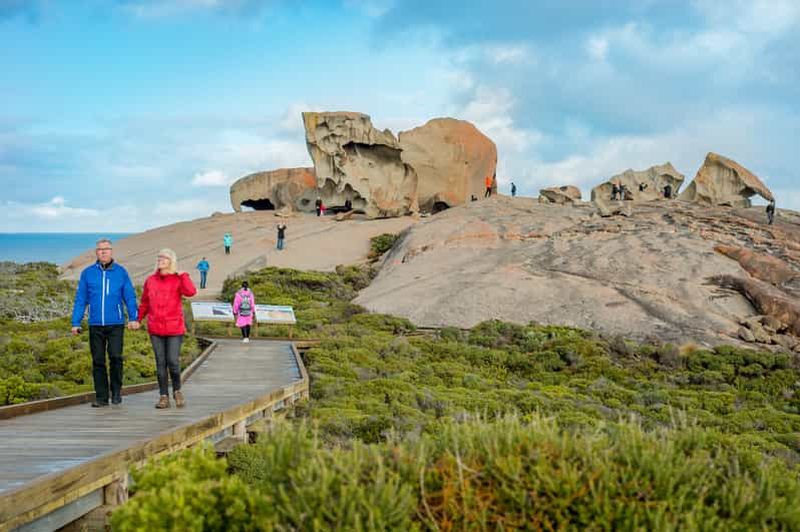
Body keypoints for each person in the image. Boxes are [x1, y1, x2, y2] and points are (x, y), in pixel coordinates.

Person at [70, 238, 139, 407]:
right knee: (98, 360)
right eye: (100, 249)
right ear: (96, 252)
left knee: (116, 357)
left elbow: (129, 297)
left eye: (106, 249)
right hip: (95, 324)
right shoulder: (88, 273)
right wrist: (76, 322)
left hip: (115, 323)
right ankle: (101, 397)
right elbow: (81, 299)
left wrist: (134, 317)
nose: (103, 252)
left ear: (111, 251)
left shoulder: (121, 272)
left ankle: (116, 391)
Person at [138, 248, 197, 409]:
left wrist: (184, 275)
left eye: (164, 257)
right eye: (159, 257)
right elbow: (145, 303)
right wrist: (137, 319)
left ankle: (177, 391)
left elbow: (191, 292)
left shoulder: (178, 279)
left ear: (171, 261)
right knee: (160, 363)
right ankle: (163, 396)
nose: (161, 260)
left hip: (174, 328)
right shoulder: (150, 280)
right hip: (155, 328)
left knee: (173, 362)